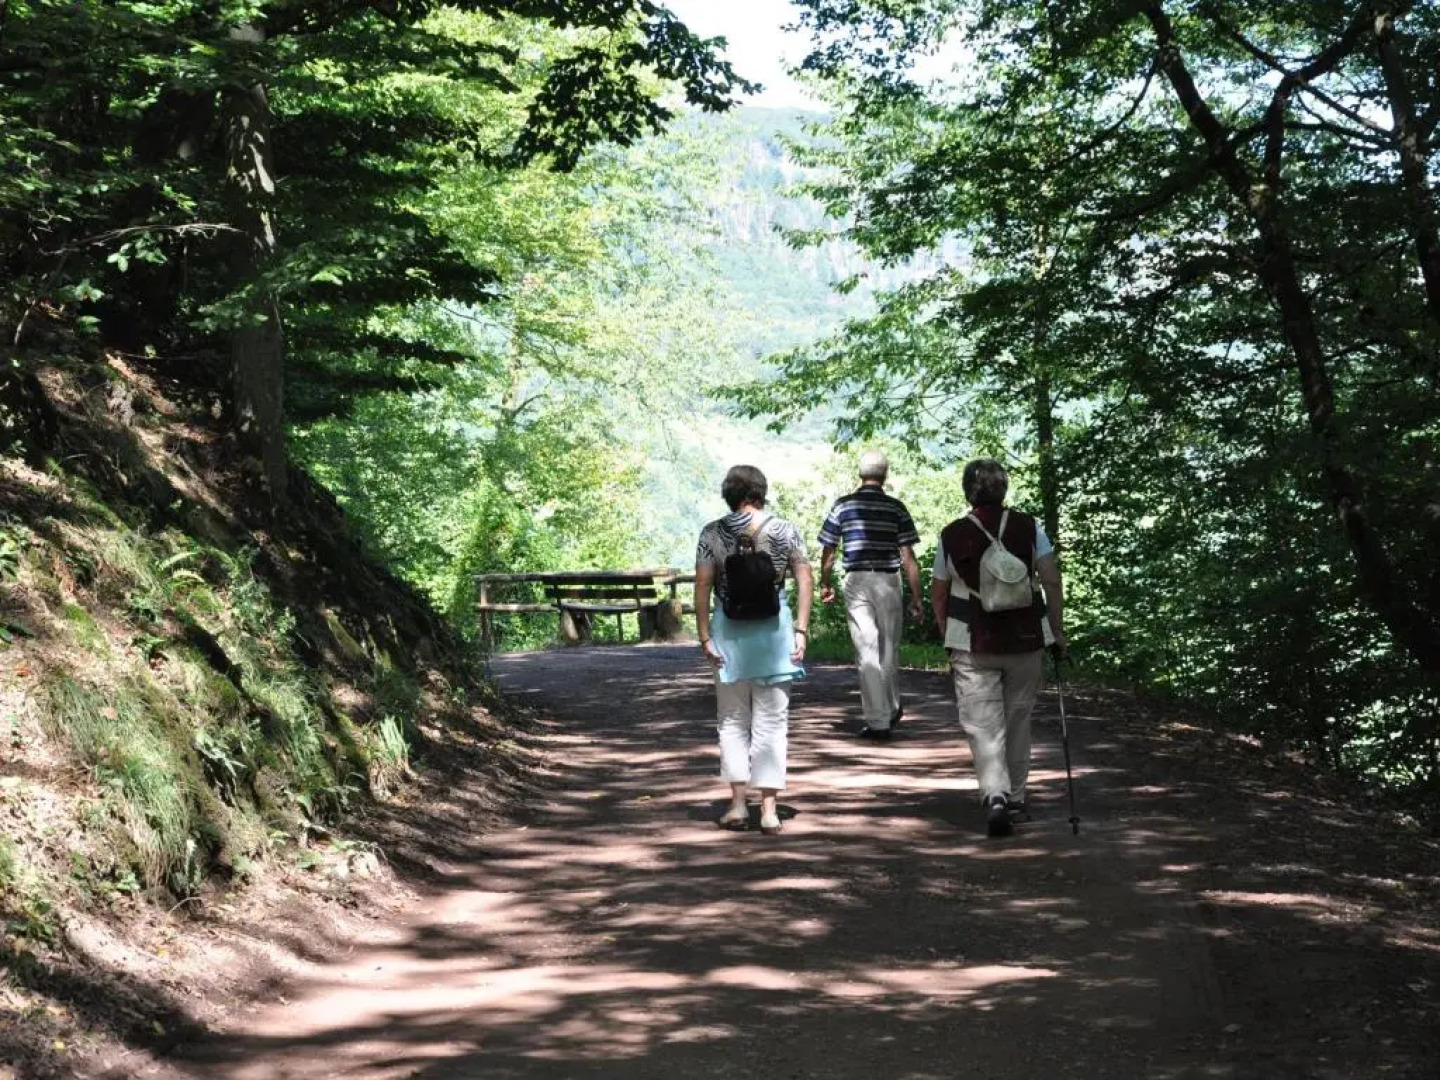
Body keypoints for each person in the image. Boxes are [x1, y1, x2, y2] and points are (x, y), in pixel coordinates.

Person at [930, 458, 1066, 837]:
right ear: (1004, 489)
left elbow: (939, 591)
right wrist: (1057, 629)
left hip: (973, 641)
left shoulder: (952, 534)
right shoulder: (1029, 527)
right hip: (1026, 640)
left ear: (967, 490)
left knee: (982, 724)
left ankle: (995, 796)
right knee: (1018, 718)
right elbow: (1051, 581)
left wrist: (946, 632)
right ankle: (1018, 798)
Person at [695, 465, 814, 836]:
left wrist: (703, 636)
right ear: (761, 494)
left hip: (728, 632)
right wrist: (801, 630)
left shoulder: (711, 532)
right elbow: (805, 575)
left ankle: (736, 805)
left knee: (732, 721)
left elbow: (702, 584)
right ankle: (769, 811)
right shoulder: (785, 530)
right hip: (774, 634)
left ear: (728, 496)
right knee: (772, 722)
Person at [817, 450, 923, 740]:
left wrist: (824, 582)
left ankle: (879, 721)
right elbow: (908, 556)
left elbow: (829, 549)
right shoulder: (896, 508)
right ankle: (890, 708)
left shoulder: (843, 506)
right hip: (889, 580)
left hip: (857, 580)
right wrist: (917, 597)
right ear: (885, 475)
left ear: (860, 474)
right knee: (890, 647)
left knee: (866, 650)